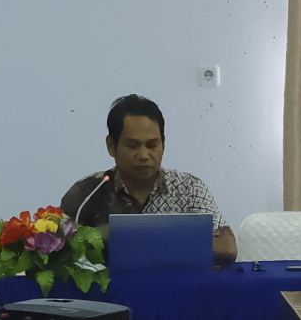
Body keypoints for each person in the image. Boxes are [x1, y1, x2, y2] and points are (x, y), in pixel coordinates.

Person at [58, 93, 236, 261]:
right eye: (132, 145)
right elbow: (57, 251)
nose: (144, 155)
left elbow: (227, 248)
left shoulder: (189, 189)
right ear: (112, 146)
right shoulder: (87, 192)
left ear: (163, 144)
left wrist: (144, 241)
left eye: (152, 145)